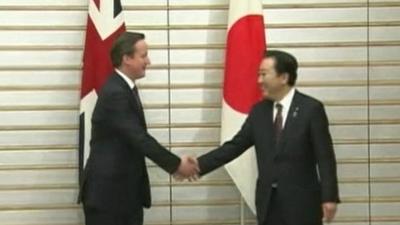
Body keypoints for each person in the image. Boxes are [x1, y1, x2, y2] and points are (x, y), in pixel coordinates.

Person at [196, 50, 340, 225]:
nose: (259, 80)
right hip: (268, 205)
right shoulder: (259, 112)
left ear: (284, 77)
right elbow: (234, 147)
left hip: (302, 205)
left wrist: (329, 197)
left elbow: (325, 158)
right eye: (258, 74)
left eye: (264, 74)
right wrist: (198, 165)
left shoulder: (311, 109)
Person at [78, 32, 198, 225]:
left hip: (122, 196)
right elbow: (139, 138)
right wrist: (177, 165)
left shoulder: (123, 88)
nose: (148, 61)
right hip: (109, 199)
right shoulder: (116, 93)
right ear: (126, 58)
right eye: (143, 56)